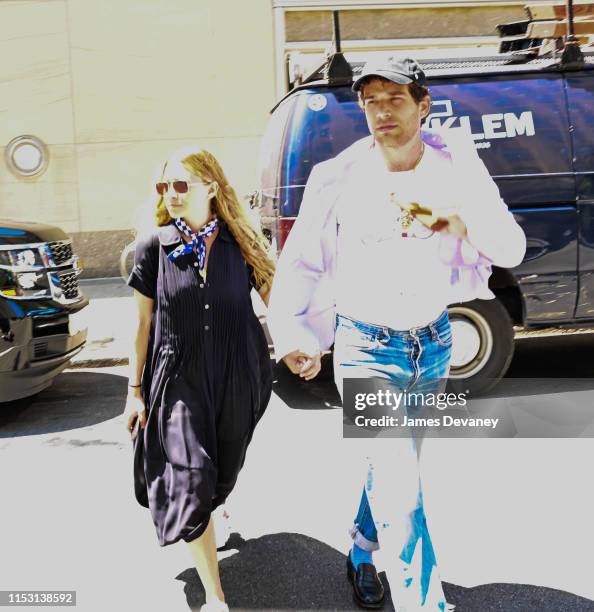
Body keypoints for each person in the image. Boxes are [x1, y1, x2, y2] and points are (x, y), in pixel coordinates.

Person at [267, 57, 526, 610]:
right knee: (401, 488)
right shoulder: (338, 177)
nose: (381, 111)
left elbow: (511, 249)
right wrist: (294, 334)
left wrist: (464, 223)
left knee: (395, 468)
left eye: (394, 99)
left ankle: (362, 547)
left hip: (431, 346)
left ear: (422, 104)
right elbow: (301, 263)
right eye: (371, 101)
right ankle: (426, 603)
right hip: (364, 347)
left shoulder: (456, 168)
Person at [124, 146, 274, 612]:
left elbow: (279, 299)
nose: (170, 194)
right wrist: (133, 392)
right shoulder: (155, 247)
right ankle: (215, 596)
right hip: (177, 380)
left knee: (221, 471)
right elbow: (143, 326)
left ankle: (216, 504)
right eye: (163, 186)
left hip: (238, 372)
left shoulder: (241, 242)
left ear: (211, 186)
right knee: (189, 480)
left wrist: (300, 347)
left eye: (181, 184)